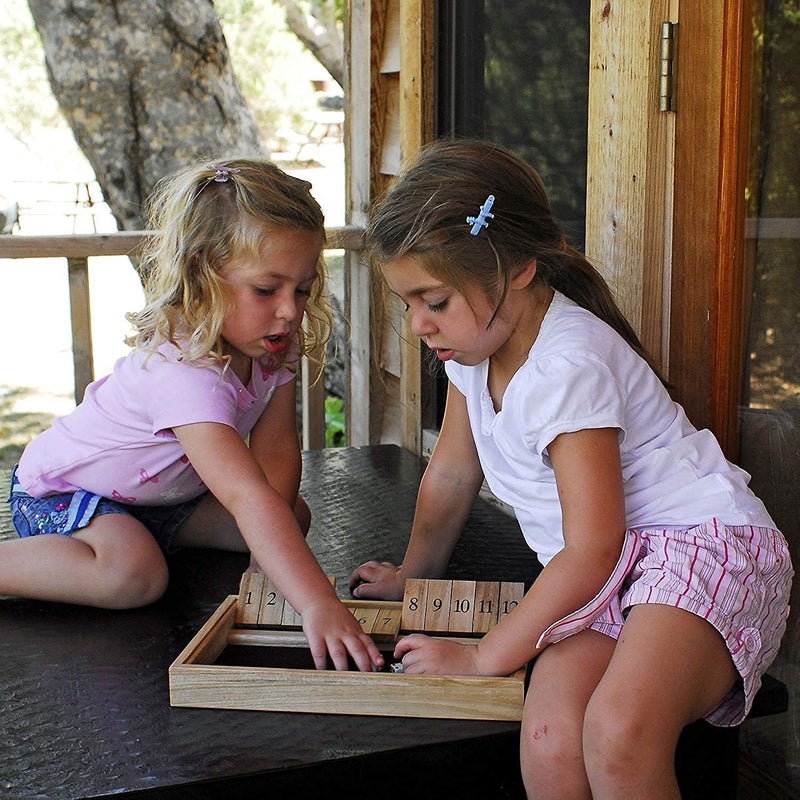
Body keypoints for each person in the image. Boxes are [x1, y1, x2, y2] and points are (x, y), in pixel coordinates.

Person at [348, 139, 792, 798]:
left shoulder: (566, 366)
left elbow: (592, 546)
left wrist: (483, 657)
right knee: (552, 736)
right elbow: (451, 477)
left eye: (434, 301)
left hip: (701, 546)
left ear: (519, 269)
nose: (418, 324)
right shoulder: (474, 352)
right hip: (610, 569)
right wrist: (414, 580)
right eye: (408, 302)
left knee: (618, 733)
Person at [3, 157, 383, 674]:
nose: (290, 311)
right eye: (266, 290)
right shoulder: (183, 373)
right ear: (203, 275)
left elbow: (274, 458)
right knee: (136, 575)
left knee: (290, 516)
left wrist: (268, 563)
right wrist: (318, 602)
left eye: (302, 288)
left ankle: (146, 535)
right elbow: (244, 494)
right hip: (65, 492)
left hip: (159, 502)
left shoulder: (270, 345)